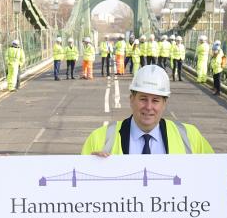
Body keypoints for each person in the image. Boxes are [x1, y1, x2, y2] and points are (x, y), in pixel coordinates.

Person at [81, 64, 214, 155]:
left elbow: (214, 178)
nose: (149, 107)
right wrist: (91, 167)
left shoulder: (191, 137)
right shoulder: (99, 140)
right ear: (131, 99)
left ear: (164, 103)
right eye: (143, 99)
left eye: (155, 100)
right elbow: (81, 190)